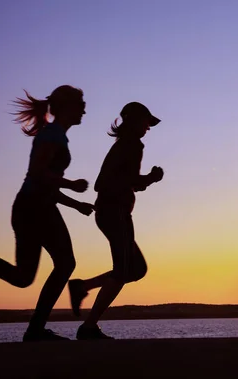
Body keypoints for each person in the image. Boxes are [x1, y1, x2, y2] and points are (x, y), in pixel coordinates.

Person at [0, 85, 93, 341]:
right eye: (81, 103)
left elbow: (46, 184)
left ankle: (35, 329)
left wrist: (76, 204)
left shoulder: (57, 135)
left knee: (25, 277)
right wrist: (71, 184)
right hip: (33, 209)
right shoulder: (52, 135)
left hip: (37, 207)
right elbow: (37, 174)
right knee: (62, 265)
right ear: (67, 107)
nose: (84, 108)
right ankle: (35, 330)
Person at [67, 102, 164, 340]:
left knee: (137, 269)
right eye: (145, 123)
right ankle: (88, 327)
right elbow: (104, 183)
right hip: (114, 213)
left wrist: (143, 181)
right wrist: (150, 178)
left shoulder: (126, 145)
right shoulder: (131, 145)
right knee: (123, 271)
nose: (148, 129)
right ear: (133, 121)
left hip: (115, 213)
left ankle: (82, 287)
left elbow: (126, 181)